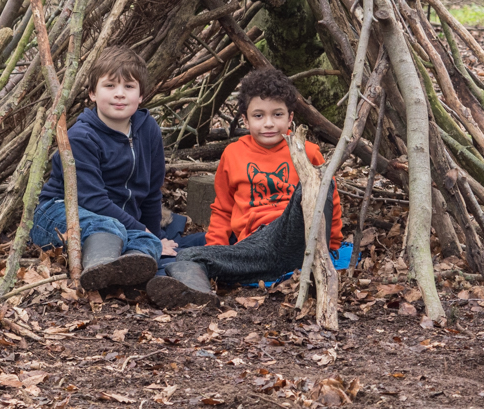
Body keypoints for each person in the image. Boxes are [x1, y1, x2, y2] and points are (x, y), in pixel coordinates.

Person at [147, 68, 343, 308]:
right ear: (245, 119)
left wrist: (332, 246)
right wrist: (217, 250)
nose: (268, 123)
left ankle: (194, 278)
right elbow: (222, 209)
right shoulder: (233, 154)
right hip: (257, 250)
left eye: (277, 114)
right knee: (190, 255)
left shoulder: (308, 151)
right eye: (258, 116)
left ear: (290, 118)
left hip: (302, 240)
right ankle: (195, 290)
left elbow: (329, 201)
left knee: (316, 185)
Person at [30, 46, 178, 291]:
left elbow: (152, 193)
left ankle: (125, 273)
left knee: (144, 239)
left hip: (118, 225)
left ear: (141, 95)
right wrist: (145, 232)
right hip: (60, 215)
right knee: (112, 227)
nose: (119, 94)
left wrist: (154, 236)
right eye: (110, 86)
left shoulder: (148, 129)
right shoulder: (82, 137)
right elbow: (94, 201)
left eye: (129, 87)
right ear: (92, 93)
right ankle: (102, 268)